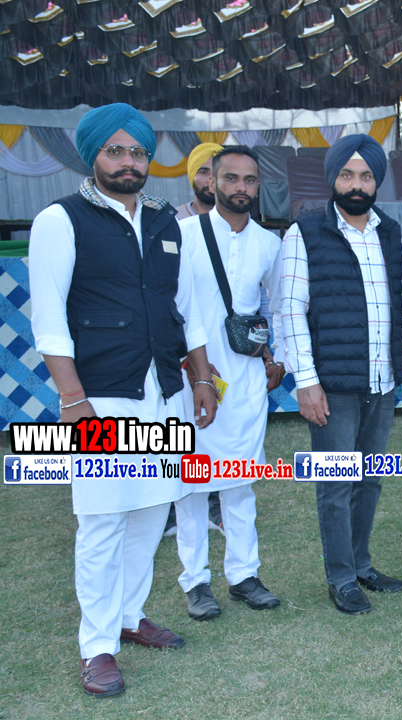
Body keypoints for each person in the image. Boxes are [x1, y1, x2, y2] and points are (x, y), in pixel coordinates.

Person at [28, 103, 218, 697]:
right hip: (100, 398)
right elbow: (49, 320)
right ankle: (97, 646)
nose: (128, 162)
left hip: (164, 392)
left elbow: (185, 309)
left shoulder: (165, 221)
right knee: (103, 520)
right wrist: (73, 399)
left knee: (151, 511)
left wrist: (202, 379)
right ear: (93, 155)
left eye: (137, 151)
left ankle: (130, 617)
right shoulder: (59, 220)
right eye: (115, 151)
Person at [278, 134, 402, 614]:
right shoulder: (304, 233)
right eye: (347, 175)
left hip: (381, 382)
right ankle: (340, 577)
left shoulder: (390, 233)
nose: (356, 184)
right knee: (336, 485)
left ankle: (361, 564)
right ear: (332, 179)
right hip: (332, 385)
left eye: (365, 176)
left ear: (377, 181)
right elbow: (290, 311)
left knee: (370, 480)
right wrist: (306, 381)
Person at [174, 146, 285, 621]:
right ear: (211, 182)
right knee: (192, 485)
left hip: (245, 377)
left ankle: (244, 575)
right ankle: (195, 582)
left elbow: (281, 305)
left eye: (250, 180)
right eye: (231, 178)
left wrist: (278, 359)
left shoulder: (269, 243)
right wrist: (191, 366)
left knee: (241, 482)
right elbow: (173, 308)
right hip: (192, 377)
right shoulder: (182, 235)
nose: (241, 187)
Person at [167, 140, 225, 539]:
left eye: (215, 172)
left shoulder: (237, 223)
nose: (210, 180)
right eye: (203, 171)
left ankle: (218, 504)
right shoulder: (171, 225)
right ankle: (176, 509)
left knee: (220, 429)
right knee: (183, 430)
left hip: (226, 347)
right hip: (183, 346)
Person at [174, 142, 222, 220]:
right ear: (192, 176)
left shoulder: (239, 219)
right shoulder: (175, 219)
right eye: (204, 172)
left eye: (217, 173)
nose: (211, 180)